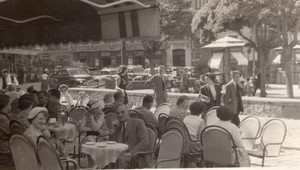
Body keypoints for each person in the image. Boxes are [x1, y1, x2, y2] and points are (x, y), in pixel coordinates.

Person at [113, 104, 149, 169]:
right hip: (120, 154)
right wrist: (114, 129)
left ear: (128, 112)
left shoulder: (138, 123)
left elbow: (144, 142)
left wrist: (131, 153)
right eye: (117, 113)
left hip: (135, 156)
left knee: (119, 160)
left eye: (122, 112)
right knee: (105, 158)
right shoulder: (118, 127)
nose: (120, 115)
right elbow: (113, 142)